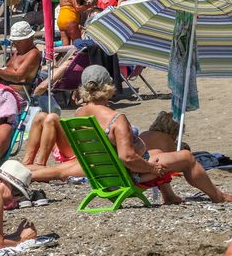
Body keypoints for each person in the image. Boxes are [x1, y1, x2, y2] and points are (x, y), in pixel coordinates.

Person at [27, 66, 232, 204]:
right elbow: (127, 158)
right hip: (128, 176)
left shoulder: (79, 115)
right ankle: (218, 196)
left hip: (101, 174)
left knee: (153, 153)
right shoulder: (116, 119)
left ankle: (168, 195)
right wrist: (152, 167)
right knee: (186, 158)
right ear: (108, 86)